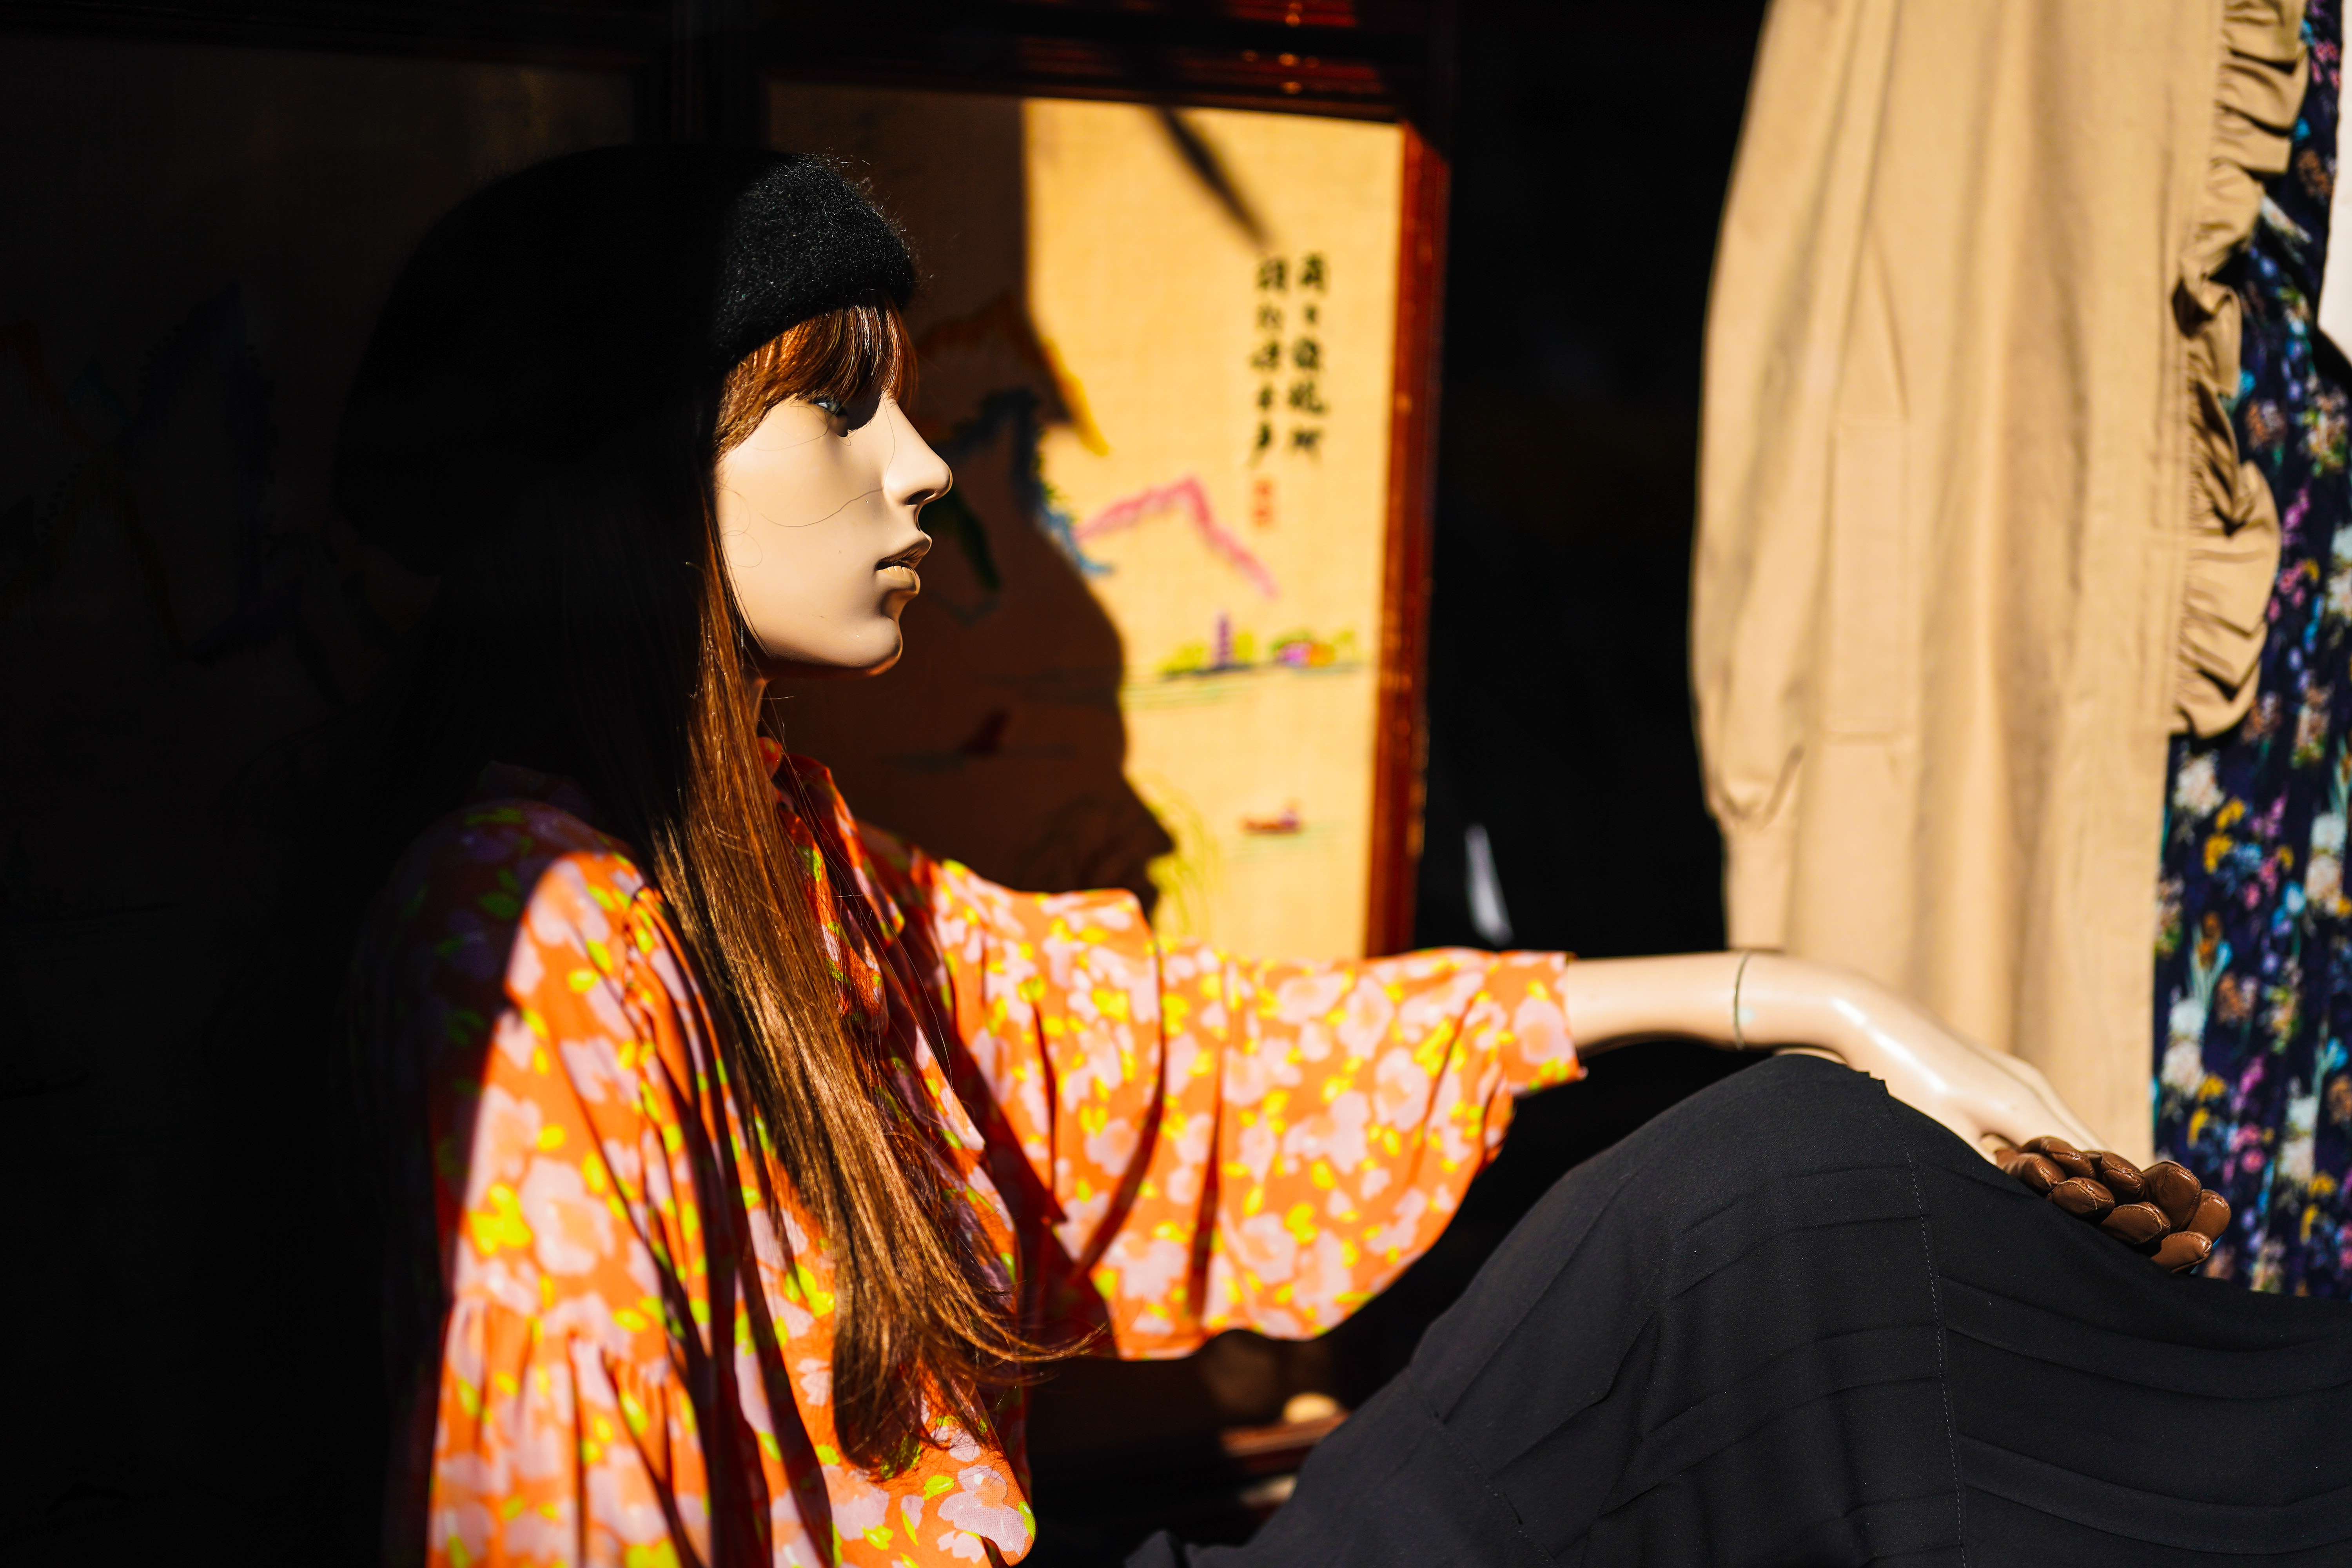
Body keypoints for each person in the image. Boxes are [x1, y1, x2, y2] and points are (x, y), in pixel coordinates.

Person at [334, 148, 2352, 1568]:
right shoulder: (529, 937)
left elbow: (1194, 1061)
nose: (924, 467)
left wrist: (1797, 1001)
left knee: (1797, 1201)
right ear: (623, 479)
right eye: (839, 409)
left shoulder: (783, 868)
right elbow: (556, 1509)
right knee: (1764, 1239)